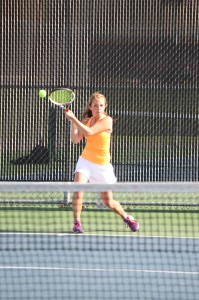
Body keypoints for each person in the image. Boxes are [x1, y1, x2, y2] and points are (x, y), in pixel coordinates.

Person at [65, 92, 139, 233]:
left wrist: (74, 118)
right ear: (90, 107)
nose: (98, 108)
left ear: (105, 106)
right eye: (95, 105)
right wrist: (72, 122)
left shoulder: (108, 120)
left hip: (102, 166)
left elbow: (90, 132)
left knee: (108, 201)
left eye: (101, 105)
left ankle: (127, 217)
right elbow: (75, 140)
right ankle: (77, 223)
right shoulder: (87, 121)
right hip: (85, 161)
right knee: (78, 190)